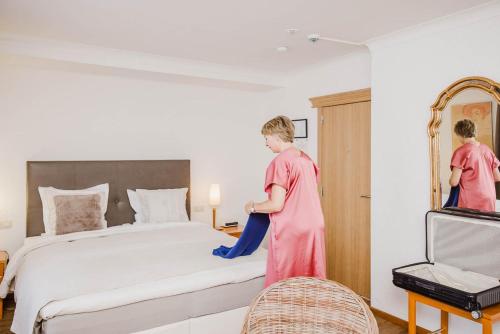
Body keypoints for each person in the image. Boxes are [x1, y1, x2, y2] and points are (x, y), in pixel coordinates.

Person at [244, 115, 326, 287]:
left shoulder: (280, 162)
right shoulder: (306, 159)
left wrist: (252, 207)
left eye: (266, 139)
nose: (266, 143)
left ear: (275, 136)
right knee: (310, 275)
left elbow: (276, 204)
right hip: (314, 225)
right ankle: (309, 311)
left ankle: (284, 311)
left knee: (286, 278)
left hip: (292, 228)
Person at [449, 119, 500, 211]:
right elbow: (497, 177)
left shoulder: (461, 151)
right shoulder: (487, 150)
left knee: (469, 224)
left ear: (461, 134)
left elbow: (454, 182)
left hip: (471, 198)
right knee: (486, 224)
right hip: (489, 196)